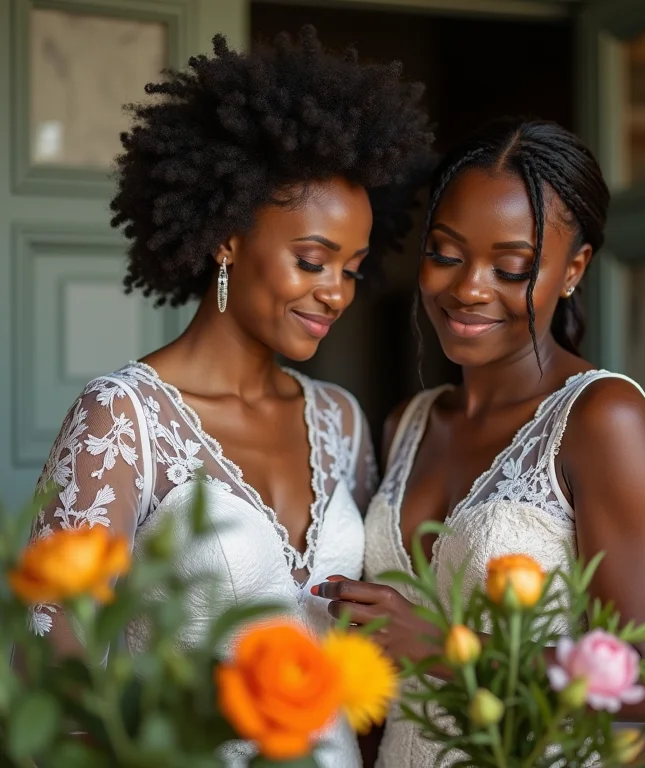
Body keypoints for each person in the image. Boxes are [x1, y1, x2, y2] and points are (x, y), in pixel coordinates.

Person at [18, 27, 433, 768]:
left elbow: (358, 665)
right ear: (228, 238)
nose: (335, 292)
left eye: (354, 268)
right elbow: (51, 675)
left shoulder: (338, 419)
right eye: (313, 260)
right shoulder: (124, 418)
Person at [312, 117, 645, 767]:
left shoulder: (602, 419)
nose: (469, 288)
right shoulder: (409, 422)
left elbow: (640, 686)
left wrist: (438, 645)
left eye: (512, 267)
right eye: (446, 254)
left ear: (574, 269)